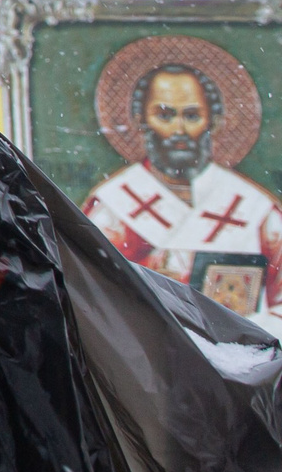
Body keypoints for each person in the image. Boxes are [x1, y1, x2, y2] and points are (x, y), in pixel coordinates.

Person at [84, 59, 282, 317]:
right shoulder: (112, 208)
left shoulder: (257, 211)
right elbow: (91, 298)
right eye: (165, 115)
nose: (179, 130)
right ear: (140, 120)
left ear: (214, 121)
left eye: (192, 116)